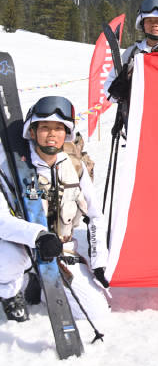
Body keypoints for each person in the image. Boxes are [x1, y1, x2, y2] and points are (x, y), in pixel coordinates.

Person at [0, 96, 109, 323]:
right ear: (32, 132)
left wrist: (99, 262)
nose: (52, 134)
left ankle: (39, 284)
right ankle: (9, 291)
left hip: (62, 249)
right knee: (6, 260)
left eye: (59, 128)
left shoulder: (75, 166)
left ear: (66, 133)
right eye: (45, 128)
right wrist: (37, 236)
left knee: (96, 314)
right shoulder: (10, 167)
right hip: (22, 246)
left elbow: (95, 216)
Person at [105, 0, 158, 103]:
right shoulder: (132, 53)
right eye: (149, 20)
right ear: (142, 24)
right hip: (138, 112)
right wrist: (117, 93)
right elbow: (108, 86)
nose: (155, 24)